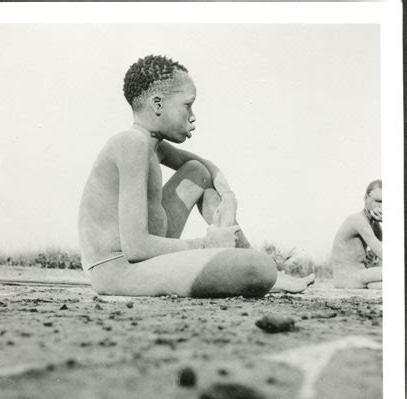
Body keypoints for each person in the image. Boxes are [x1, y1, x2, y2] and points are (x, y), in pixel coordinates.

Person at [78, 55, 315, 297]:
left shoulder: (151, 144)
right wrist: (205, 245)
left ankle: (255, 263)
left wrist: (229, 197)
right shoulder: (131, 144)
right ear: (157, 104)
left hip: (141, 262)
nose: (193, 116)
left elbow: (206, 167)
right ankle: (260, 268)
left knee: (197, 173)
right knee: (257, 268)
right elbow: (136, 247)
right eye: (187, 105)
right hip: (117, 271)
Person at [331, 180, 382, 289]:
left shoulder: (375, 225)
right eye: (378, 201)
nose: (381, 206)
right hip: (347, 277)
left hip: (359, 277)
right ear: (366, 198)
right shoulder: (358, 220)